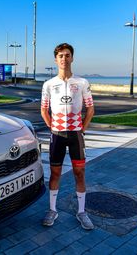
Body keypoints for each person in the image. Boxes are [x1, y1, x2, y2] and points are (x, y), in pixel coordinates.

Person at [40, 43, 95, 229]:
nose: (64, 59)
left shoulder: (82, 83)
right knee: (55, 173)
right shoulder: (48, 84)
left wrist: (82, 130)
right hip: (57, 135)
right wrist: (52, 126)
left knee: (80, 173)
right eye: (61, 56)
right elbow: (43, 109)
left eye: (67, 55)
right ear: (56, 59)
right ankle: (52, 210)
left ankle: (81, 212)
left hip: (76, 135)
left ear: (72, 58)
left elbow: (90, 109)